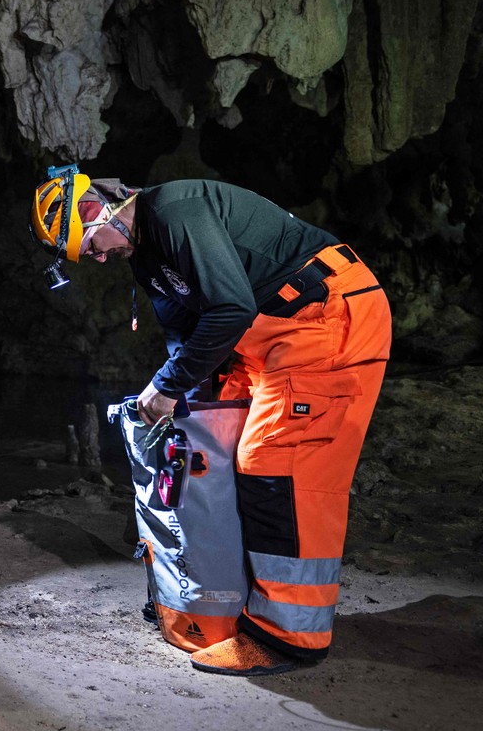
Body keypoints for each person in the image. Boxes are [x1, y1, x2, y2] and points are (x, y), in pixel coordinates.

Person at [32, 168, 392, 676]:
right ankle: (215, 598)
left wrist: (165, 387)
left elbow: (229, 307)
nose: (95, 258)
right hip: (264, 335)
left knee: (274, 462)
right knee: (207, 441)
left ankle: (289, 636)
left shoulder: (176, 212)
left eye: (89, 245)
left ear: (97, 209)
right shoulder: (147, 258)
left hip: (323, 318)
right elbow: (184, 331)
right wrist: (183, 400)